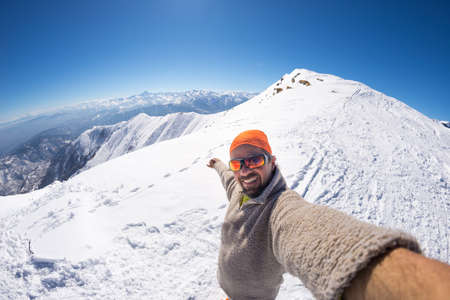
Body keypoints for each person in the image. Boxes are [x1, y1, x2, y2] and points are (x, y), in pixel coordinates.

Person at [207, 129, 450, 300]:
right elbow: (227, 176)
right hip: (229, 291)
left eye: (255, 160)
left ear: (272, 161)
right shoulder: (238, 188)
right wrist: (218, 164)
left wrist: (369, 268)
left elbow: (310, 231)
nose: (245, 170)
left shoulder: (280, 208)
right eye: (238, 164)